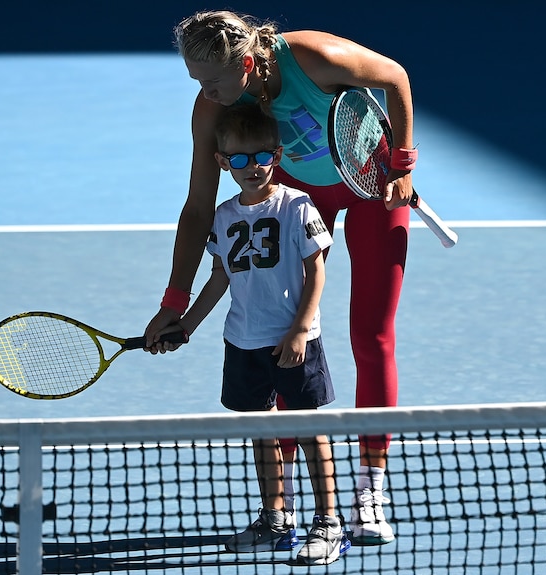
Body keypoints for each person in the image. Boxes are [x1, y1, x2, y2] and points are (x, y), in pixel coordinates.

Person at [146, 9, 416, 545]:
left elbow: (396, 77)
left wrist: (403, 166)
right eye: (197, 79)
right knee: (276, 337)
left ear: (247, 62)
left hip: (371, 184)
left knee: (372, 335)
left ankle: (369, 490)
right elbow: (199, 210)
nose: (206, 91)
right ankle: (281, 507)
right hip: (300, 195)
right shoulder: (211, 111)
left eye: (214, 78)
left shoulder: (315, 58)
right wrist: (175, 301)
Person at [157, 102, 348, 565]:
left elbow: (316, 271)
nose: (251, 167)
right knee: (261, 430)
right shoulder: (222, 217)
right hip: (242, 342)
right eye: (238, 159)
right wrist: (186, 324)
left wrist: (301, 328)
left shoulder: (297, 206)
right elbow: (220, 278)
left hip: (293, 340)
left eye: (261, 156)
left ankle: (329, 523)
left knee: (309, 431)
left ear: (276, 155)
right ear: (223, 162)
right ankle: (275, 518)